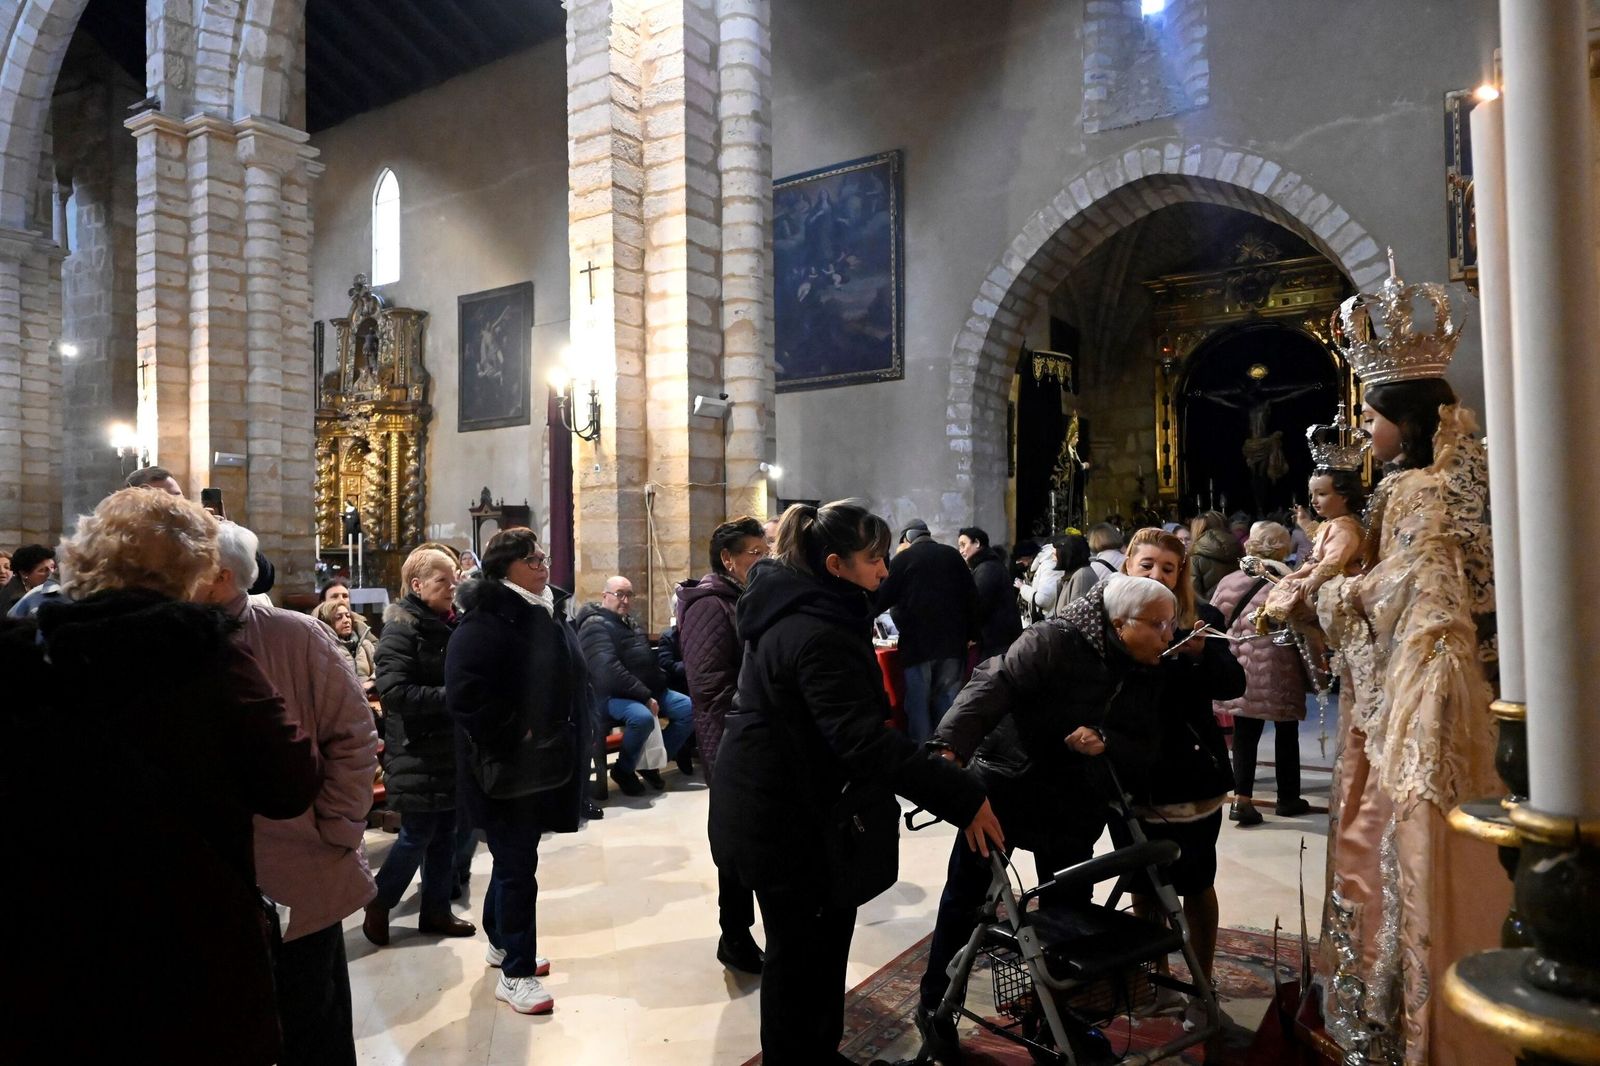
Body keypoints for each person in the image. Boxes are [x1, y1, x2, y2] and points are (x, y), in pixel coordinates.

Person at [3, 489, 318, 1064]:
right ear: (193, 569)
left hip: (51, 937)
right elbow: (289, 782)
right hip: (187, 934)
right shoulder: (205, 659)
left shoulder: (28, 654)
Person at [711, 501, 1003, 1065]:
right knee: (801, 958)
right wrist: (960, 795)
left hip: (790, 807)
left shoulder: (809, 607)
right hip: (783, 818)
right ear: (835, 564)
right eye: (874, 560)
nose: (884, 571)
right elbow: (863, 742)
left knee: (816, 950)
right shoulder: (814, 628)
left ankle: (817, 1051)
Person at [1318, 375, 1505, 1066]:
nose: (1365, 430)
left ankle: (1413, 1025)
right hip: (1463, 682)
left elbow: (1404, 589)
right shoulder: (1466, 475)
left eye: (1371, 417)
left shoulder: (1415, 490)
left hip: (1420, 686)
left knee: (1399, 831)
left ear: (1407, 419)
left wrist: (1327, 594)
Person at [915, 575, 1173, 1054]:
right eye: (1158, 625)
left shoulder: (1147, 663)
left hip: (1073, 795)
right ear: (1120, 624)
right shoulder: (1053, 639)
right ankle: (936, 1005)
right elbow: (994, 682)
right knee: (967, 899)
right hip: (1004, 787)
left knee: (1069, 908)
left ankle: (1056, 1021)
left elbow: (1147, 739)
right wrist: (947, 753)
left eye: (1170, 624)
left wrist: (1107, 740)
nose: (1168, 634)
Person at [199, 522, 378, 1065]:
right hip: (219, 875)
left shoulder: (294, 634)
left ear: (220, 575)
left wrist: (337, 829)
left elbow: (352, 737)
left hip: (303, 866)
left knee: (314, 1021)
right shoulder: (171, 638)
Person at [446, 528, 591, 1017]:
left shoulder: (543, 609)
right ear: (505, 567)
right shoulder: (488, 620)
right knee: (516, 867)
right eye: (531, 560)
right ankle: (517, 973)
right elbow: (466, 696)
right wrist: (517, 733)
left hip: (542, 761)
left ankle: (501, 944)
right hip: (508, 765)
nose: (543, 565)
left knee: (515, 860)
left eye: (543, 556)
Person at [1121, 526, 1245, 1028]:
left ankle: (1202, 979)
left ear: (1180, 576)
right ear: (1129, 564)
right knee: (1144, 882)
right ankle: (1154, 977)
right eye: (1147, 564)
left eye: (1167, 568)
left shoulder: (1201, 618)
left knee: (1196, 880)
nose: (1156, 574)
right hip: (1131, 771)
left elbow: (1233, 682)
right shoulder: (1107, 616)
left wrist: (1197, 654)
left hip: (1189, 771)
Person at [363, 547, 476, 945]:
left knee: (445, 831)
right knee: (417, 834)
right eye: (443, 580)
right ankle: (379, 902)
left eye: (454, 579)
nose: (453, 586)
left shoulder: (447, 623)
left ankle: (436, 912)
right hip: (416, 749)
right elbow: (394, 692)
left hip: (446, 747)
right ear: (417, 585)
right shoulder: (401, 627)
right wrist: (454, 696)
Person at [675, 516, 769, 974]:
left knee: (749, 839)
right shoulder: (710, 605)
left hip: (746, 734)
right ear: (727, 559)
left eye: (764, 548)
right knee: (733, 844)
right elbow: (709, 687)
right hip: (728, 738)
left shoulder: (741, 598)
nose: (762, 556)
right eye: (754, 550)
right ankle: (734, 935)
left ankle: (740, 931)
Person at [1209, 522, 1309, 826]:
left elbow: (1215, 619)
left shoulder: (1229, 581)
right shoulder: (1286, 581)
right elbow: (1305, 623)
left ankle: (1242, 799)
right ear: (1281, 548)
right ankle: (1288, 798)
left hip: (1241, 665)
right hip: (1281, 666)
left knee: (1245, 734)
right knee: (1286, 731)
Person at [577, 575, 695, 795]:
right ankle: (623, 769)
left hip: (646, 690)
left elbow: (647, 660)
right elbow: (609, 671)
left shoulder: (630, 622)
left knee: (689, 709)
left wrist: (659, 680)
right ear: (605, 596)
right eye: (619, 594)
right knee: (641, 718)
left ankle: (653, 764)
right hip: (611, 696)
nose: (625, 600)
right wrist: (644, 695)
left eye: (629, 595)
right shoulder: (594, 626)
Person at [874, 519, 978, 740]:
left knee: (918, 706)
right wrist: (971, 634)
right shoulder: (952, 556)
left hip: (917, 647)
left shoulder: (904, 559)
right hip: (952, 646)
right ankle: (947, 756)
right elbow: (972, 598)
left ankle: (923, 761)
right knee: (948, 704)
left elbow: (881, 599)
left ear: (906, 539)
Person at [957, 526, 1022, 661]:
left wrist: (969, 634)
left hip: (996, 642)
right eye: (959, 546)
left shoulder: (987, 569)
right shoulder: (988, 566)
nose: (961, 551)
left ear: (977, 543)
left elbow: (978, 605)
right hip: (997, 639)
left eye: (964, 545)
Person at [315, 599, 378, 692]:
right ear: (328, 623)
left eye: (348, 616)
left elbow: (382, 668)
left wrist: (372, 682)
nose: (346, 620)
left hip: (370, 698)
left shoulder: (365, 645)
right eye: (339, 617)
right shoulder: (324, 650)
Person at [1189, 510, 1241, 604]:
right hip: (1241, 612)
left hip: (1211, 614)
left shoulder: (1195, 560)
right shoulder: (1240, 551)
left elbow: (1193, 598)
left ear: (1196, 531)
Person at [0, 543, 54, 614]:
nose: (51, 573)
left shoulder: (53, 589)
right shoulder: (11, 599)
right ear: (24, 573)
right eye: (43, 570)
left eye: (53, 567)